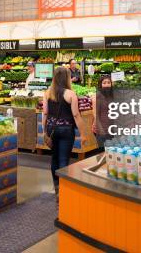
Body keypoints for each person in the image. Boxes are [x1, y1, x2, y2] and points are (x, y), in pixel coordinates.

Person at [42, 66, 86, 206]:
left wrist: (44, 131)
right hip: (67, 129)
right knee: (63, 160)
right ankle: (63, 192)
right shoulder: (71, 94)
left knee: (54, 159)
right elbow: (76, 115)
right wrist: (83, 134)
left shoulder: (48, 92)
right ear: (67, 77)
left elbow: (45, 113)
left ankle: (57, 190)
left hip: (52, 129)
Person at [92, 75, 114, 148]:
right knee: (103, 152)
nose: (107, 84)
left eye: (108, 82)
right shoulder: (96, 96)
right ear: (100, 85)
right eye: (104, 83)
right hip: (102, 129)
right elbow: (95, 115)